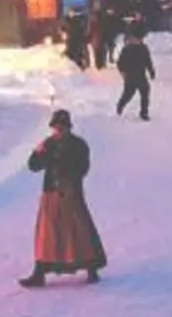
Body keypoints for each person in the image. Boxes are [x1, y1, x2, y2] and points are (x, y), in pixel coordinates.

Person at [20, 109, 107, 288]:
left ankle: (91, 268)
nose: (58, 130)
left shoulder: (78, 145)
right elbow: (33, 166)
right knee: (47, 235)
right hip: (50, 194)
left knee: (78, 231)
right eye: (56, 127)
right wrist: (37, 152)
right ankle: (39, 273)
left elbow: (83, 167)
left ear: (68, 127)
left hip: (71, 194)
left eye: (62, 127)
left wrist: (69, 180)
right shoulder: (48, 143)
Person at [115, 32, 156, 120]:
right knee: (128, 94)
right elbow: (119, 63)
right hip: (130, 77)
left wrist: (151, 71)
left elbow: (148, 61)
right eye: (132, 39)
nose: (134, 41)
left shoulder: (144, 49)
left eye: (136, 39)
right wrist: (123, 72)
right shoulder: (127, 49)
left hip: (141, 75)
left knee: (145, 93)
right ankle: (120, 105)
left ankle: (144, 113)